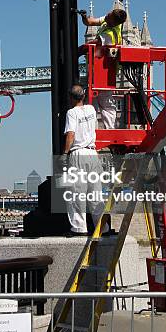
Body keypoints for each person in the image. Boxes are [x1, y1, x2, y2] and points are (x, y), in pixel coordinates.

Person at [62, 84, 108, 237]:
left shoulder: (71, 113)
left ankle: (79, 228)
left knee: (77, 193)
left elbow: (70, 134)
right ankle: (102, 228)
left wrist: (64, 153)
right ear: (83, 96)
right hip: (92, 154)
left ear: (70, 98)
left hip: (78, 154)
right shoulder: (91, 110)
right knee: (96, 193)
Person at [81, 8, 127, 129]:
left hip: (105, 71)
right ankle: (92, 129)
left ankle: (108, 129)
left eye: (110, 15)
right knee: (93, 100)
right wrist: (84, 17)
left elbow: (93, 44)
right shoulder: (108, 21)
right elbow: (90, 22)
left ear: (114, 21)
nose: (107, 14)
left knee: (104, 102)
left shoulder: (110, 34)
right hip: (96, 69)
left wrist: (75, 52)